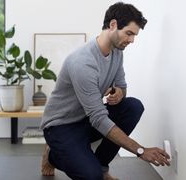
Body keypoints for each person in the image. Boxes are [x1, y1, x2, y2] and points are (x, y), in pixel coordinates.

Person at [40, 2, 170, 180]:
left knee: (133, 106)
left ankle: (101, 166)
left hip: (86, 119)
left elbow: (122, 86)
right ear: (113, 25)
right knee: (91, 176)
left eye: (134, 35)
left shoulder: (117, 52)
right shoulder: (82, 63)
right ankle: (52, 155)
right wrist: (141, 151)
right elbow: (99, 118)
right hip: (61, 126)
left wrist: (119, 92)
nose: (132, 40)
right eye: (129, 33)